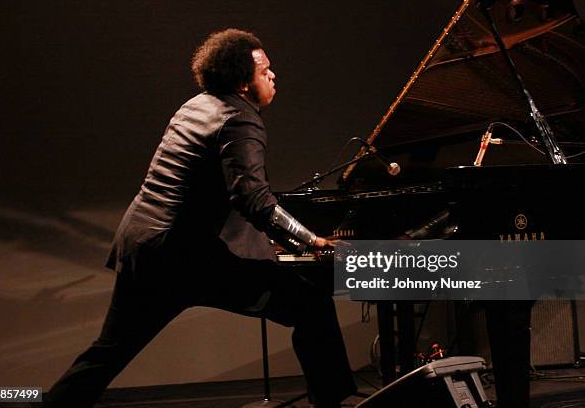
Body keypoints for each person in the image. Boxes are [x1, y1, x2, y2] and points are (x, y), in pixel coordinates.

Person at [45, 28, 356, 408]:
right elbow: (253, 198)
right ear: (243, 82)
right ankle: (332, 404)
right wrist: (313, 241)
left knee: (107, 353)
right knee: (311, 304)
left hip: (142, 245)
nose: (273, 75)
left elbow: (203, 187)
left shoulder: (195, 106)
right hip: (185, 258)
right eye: (264, 70)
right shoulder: (241, 120)